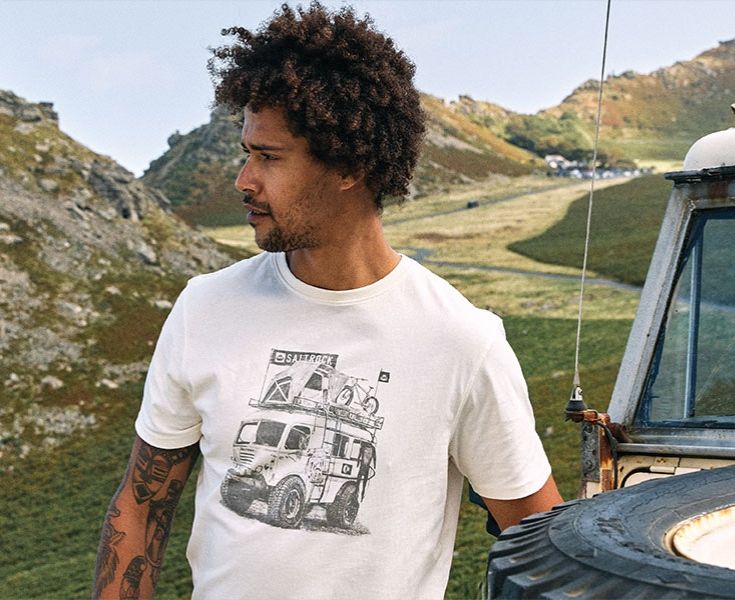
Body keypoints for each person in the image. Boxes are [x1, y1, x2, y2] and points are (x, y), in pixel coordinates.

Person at [92, 3, 562, 598]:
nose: (243, 180)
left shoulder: (461, 341)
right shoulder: (204, 307)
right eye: (246, 153)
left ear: (348, 165)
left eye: (269, 157)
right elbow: (140, 507)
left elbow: (541, 541)